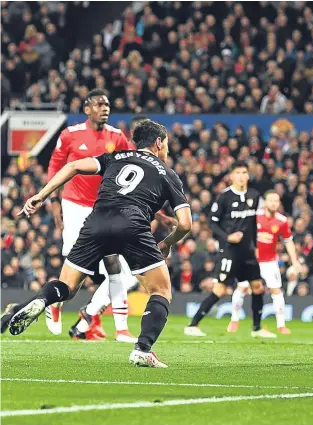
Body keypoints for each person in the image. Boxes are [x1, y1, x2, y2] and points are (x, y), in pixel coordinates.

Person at [9, 119, 192, 368]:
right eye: (167, 143)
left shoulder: (114, 157)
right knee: (160, 291)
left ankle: (43, 301)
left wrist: (41, 195)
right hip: (133, 225)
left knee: (67, 285)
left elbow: (72, 166)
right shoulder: (166, 173)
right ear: (159, 142)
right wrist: (168, 243)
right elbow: (185, 224)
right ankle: (143, 349)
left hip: (96, 221)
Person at [46, 88, 137, 342]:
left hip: (104, 208)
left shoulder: (118, 137)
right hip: (74, 205)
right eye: (99, 104)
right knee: (77, 264)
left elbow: (131, 164)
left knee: (115, 266)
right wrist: (53, 200)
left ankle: (119, 328)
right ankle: (56, 301)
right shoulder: (70, 135)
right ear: (87, 109)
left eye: (107, 104)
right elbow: (55, 166)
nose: (104, 108)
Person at [67, 115, 148, 341]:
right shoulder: (127, 159)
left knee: (121, 275)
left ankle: (87, 319)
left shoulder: (127, 157)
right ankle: (94, 316)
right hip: (109, 221)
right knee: (121, 275)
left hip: (113, 221)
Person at [184, 161, 276, 338]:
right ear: (232, 176)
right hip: (230, 251)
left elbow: (254, 225)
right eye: (238, 173)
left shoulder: (254, 195)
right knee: (220, 290)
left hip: (248, 252)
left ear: (248, 175)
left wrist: (256, 247)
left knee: (257, 287)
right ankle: (192, 325)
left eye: (244, 172)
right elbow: (212, 222)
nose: (241, 176)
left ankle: (256, 329)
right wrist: (227, 237)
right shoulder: (224, 197)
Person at [227, 190, 302, 335]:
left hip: (269, 262)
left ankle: (281, 325)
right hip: (249, 260)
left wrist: (295, 261)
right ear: (265, 202)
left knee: (276, 290)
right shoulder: (254, 216)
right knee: (242, 288)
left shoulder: (282, 220)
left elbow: (288, 241)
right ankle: (234, 320)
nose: (273, 203)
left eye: (276, 201)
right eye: (271, 200)